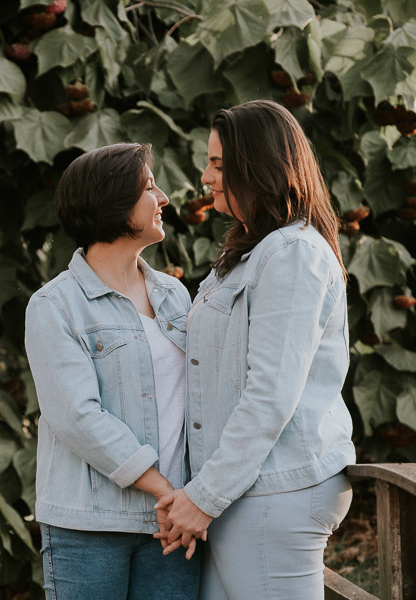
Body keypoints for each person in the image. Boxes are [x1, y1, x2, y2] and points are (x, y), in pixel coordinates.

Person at [154, 99, 356, 599]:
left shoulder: (293, 254)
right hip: (243, 492)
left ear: (258, 166)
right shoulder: (250, 253)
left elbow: (270, 394)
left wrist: (202, 498)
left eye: (219, 164)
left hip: (275, 491)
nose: (206, 176)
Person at [24, 143, 200, 600]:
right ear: (113, 204)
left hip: (172, 523)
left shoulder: (175, 297)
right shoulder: (54, 305)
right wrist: (166, 490)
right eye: (148, 187)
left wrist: (191, 498)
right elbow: (77, 417)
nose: (163, 198)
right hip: (90, 525)